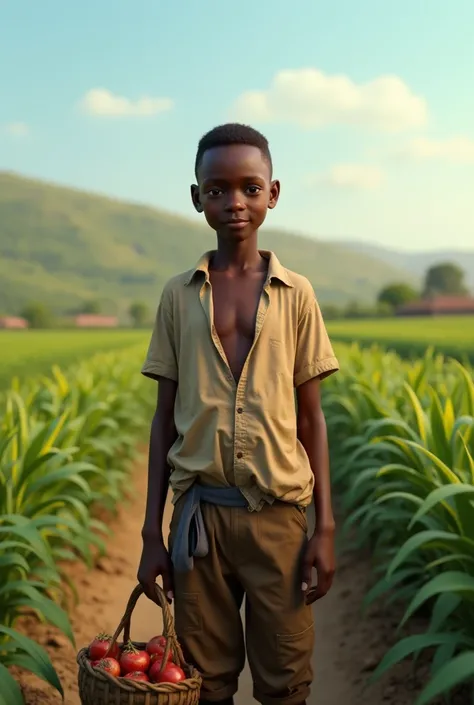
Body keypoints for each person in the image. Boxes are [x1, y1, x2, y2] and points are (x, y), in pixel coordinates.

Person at [138, 123, 339, 705]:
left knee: (284, 680)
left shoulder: (296, 293)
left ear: (273, 193)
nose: (235, 204)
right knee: (205, 681)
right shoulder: (179, 296)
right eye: (218, 190)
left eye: (250, 188)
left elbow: (311, 420)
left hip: (278, 519)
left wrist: (323, 528)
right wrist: (153, 532)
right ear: (197, 197)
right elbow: (163, 417)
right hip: (200, 519)